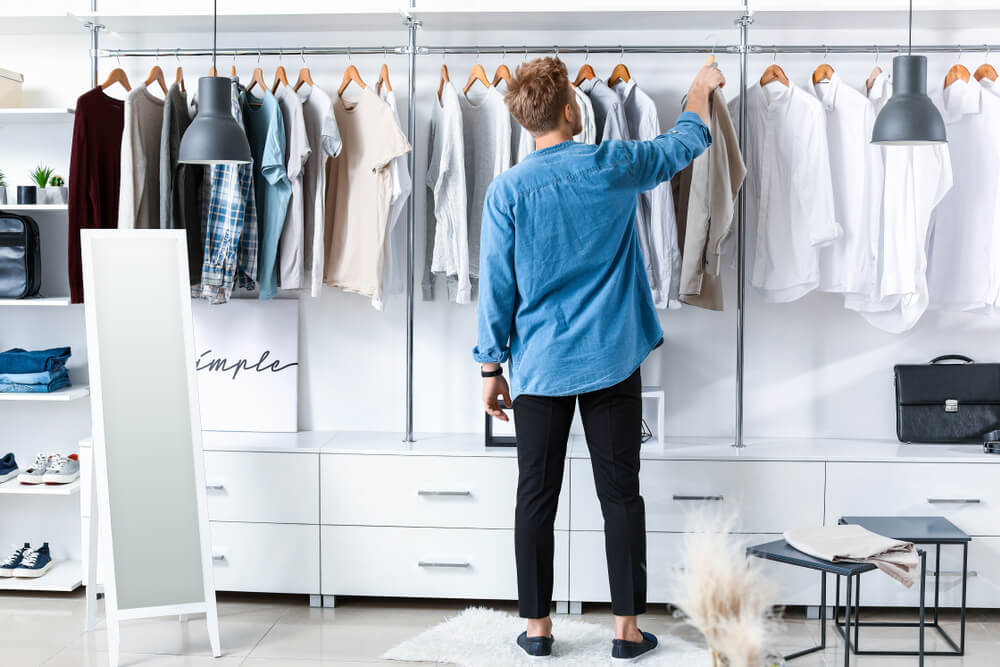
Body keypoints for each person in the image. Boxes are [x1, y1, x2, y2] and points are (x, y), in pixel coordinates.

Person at [472, 57, 724, 661]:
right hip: (611, 358)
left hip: (537, 365)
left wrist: (490, 369)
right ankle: (626, 632)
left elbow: (495, 289)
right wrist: (698, 87)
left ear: (525, 121)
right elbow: (683, 142)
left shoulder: (506, 191)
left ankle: (537, 631)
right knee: (621, 495)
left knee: (535, 496)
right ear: (570, 110)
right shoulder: (613, 165)